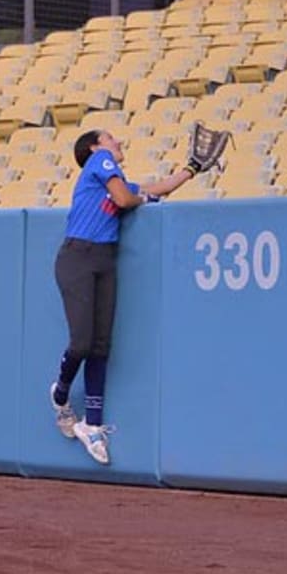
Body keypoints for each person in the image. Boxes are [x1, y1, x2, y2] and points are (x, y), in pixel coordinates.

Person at [50, 129, 196, 465]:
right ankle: (60, 396)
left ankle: (93, 425)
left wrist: (191, 170)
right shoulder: (98, 161)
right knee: (82, 343)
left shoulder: (115, 179)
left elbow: (154, 188)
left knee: (101, 345)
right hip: (78, 257)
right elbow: (126, 199)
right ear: (94, 147)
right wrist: (141, 199)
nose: (119, 144)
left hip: (103, 258)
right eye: (111, 139)